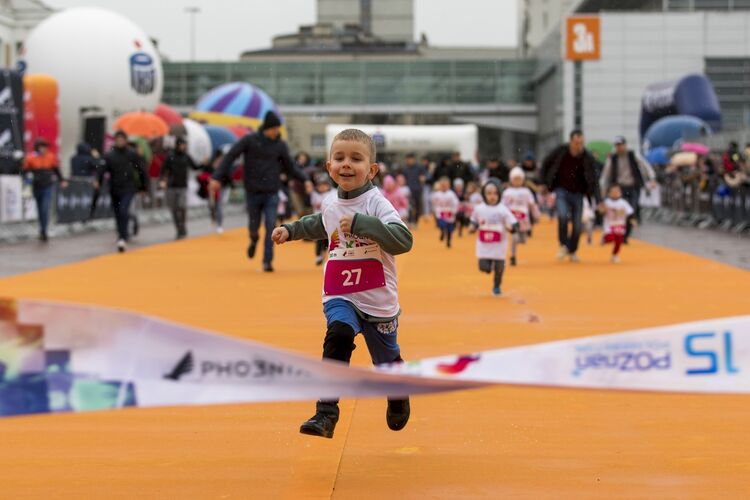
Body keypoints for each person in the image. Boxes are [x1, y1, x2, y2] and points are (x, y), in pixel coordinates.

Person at [271, 128, 413, 439]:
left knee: (386, 360)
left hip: (377, 299)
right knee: (337, 335)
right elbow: (318, 224)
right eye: (339, 158)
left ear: (372, 169)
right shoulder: (330, 203)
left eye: (356, 159)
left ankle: (398, 390)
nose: (346, 164)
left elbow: (404, 240)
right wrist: (290, 230)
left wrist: (365, 224)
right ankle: (326, 411)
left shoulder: (377, 203)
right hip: (340, 292)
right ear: (328, 167)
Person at [210, 111, 312, 272]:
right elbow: (230, 156)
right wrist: (216, 177)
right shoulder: (249, 140)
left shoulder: (280, 145)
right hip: (253, 191)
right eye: (274, 129)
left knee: (271, 225)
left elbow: (291, 166)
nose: (277, 132)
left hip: (271, 191)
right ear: (267, 128)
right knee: (254, 227)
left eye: (278, 129)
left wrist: (305, 179)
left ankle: (267, 261)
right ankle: (253, 239)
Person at [541, 129, 601, 262]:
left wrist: (599, 200)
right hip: (561, 190)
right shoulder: (561, 152)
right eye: (576, 143)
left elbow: (594, 180)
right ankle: (564, 245)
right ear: (571, 141)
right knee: (562, 216)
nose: (578, 146)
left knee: (577, 224)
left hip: (578, 194)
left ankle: (572, 250)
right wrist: (544, 183)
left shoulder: (587, 157)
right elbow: (546, 164)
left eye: (581, 143)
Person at [96, 130, 148, 253]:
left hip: (128, 188)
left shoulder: (132, 154)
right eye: (118, 139)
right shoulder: (109, 155)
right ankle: (121, 232)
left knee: (124, 210)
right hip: (114, 188)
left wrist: (143, 187)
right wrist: (98, 180)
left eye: (122, 139)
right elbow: (102, 169)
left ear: (125, 141)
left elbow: (142, 170)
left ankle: (122, 237)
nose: (120, 141)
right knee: (118, 212)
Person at [599, 136, 654, 242]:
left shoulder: (633, 155)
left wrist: (652, 178)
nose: (619, 148)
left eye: (621, 145)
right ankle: (619, 233)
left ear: (625, 145)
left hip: (633, 186)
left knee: (631, 210)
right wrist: (604, 190)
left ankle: (626, 235)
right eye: (617, 146)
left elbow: (645, 166)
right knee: (620, 211)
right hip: (619, 188)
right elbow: (606, 175)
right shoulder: (612, 158)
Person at [469, 180, 518, 296]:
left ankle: (496, 286)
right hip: (484, 244)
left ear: (499, 195)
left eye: (495, 194)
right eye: (489, 193)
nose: (492, 196)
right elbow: (474, 220)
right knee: (483, 268)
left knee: (499, 268)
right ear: (484, 195)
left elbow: (514, 223)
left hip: (499, 244)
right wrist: (472, 227)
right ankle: (488, 265)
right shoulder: (479, 208)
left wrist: (510, 227)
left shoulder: (503, 209)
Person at [23, 138, 67, 241]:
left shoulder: (50, 157)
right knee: (39, 208)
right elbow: (25, 170)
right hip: (36, 186)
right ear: (37, 147)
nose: (43, 149)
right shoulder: (31, 157)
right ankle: (42, 229)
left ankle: (44, 230)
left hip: (47, 186)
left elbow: (56, 170)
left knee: (45, 208)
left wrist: (62, 180)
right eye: (41, 146)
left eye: (44, 146)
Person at [160, 137, 197, 239]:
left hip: (182, 186)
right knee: (174, 209)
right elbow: (163, 170)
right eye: (182, 144)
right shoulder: (170, 156)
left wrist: (204, 164)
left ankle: (183, 225)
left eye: (185, 145)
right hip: (171, 186)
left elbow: (195, 166)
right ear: (177, 145)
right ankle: (178, 229)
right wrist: (162, 180)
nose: (183, 147)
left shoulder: (186, 156)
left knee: (182, 207)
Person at [501, 168, 539, 266]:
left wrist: (536, 215)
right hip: (512, 220)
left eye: (519, 179)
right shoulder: (507, 192)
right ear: (511, 180)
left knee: (523, 240)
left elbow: (532, 204)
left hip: (524, 220)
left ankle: (517, 242)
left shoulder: (526, 192)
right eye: (515, 179)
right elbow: (503, 206)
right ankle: (513, 256)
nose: (517, 181)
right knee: (514, 237)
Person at [599, 184, 634, 264]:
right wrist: (603, 209)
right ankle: (604, 239)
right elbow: (600, 212)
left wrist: (632, 220)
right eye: (613, 192)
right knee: (610, 238)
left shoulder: (623, 203)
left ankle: (615, 255)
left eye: (617, 191)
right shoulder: (606, 202)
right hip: (609, 225)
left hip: (620, 225)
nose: (615, 193)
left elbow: (630, 212)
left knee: (619, 241)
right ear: (609, 193)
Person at [310, 173, 336, 266]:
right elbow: (314, 205)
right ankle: (318, 255)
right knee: (319, 239)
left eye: (324, 185)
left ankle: (328, 255)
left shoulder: (334, 192)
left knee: (329, 239)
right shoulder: (314, 194)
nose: (322, 187)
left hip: (330, 221)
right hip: (319, 220)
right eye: (320, 185)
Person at [430, 176, 460, 248]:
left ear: (448, 185)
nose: (443, 187)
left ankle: (448, 240)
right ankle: (442, 231)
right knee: (441, 223)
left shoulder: (451, 194)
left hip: (449, 212)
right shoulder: (437, 194)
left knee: (450, 229)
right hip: (441, 212)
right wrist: (434, 209)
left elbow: (456, 203)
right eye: (442, 185)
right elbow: (433, 202)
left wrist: (454, 210)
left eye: (445, 185)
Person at [399, 153, 427, 227]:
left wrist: (423, 178)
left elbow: (425, 175)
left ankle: (416, 221)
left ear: (413, 159)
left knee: (417, 206)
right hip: (408, 190)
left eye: (409, 159)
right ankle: (410, 221)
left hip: (417, 189)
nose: (408, 161)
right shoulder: (405, 169)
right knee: (409, 206)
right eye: (407, 160)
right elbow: (402, 179)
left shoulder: (419, 167)